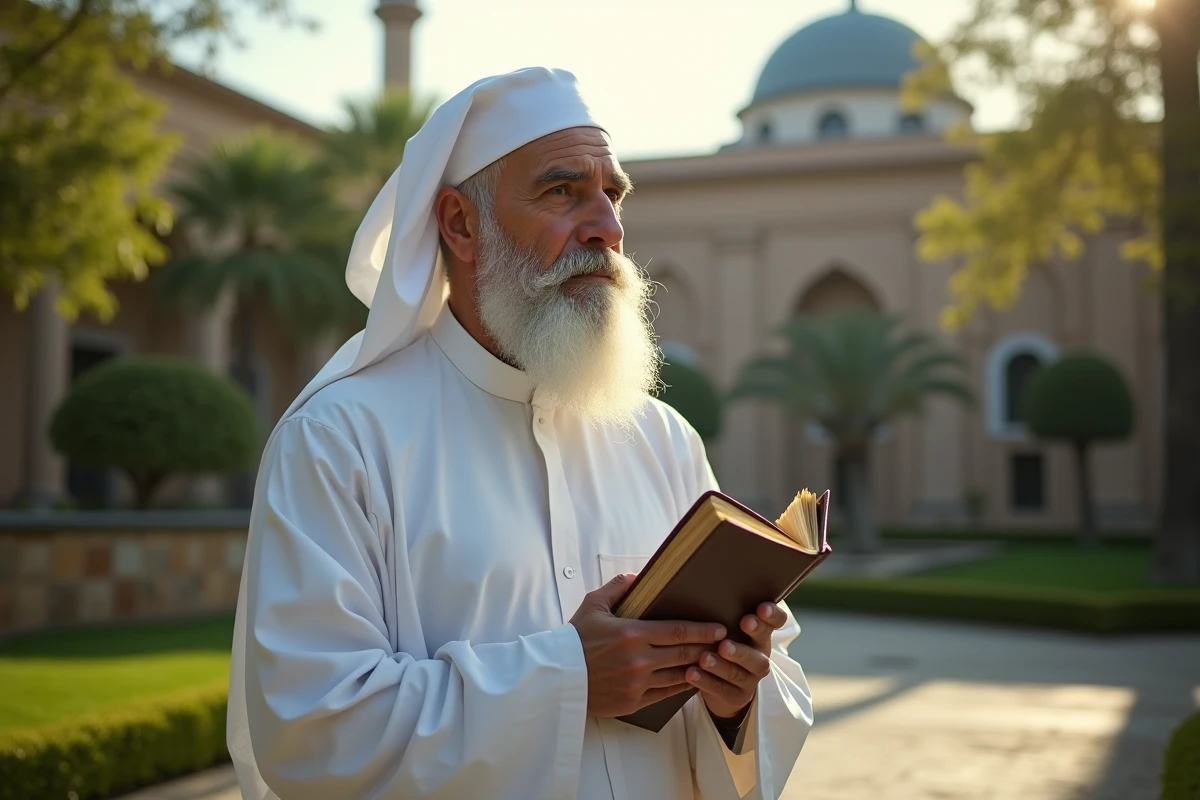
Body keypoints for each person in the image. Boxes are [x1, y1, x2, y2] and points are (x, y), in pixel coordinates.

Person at [227, 67, 813, 800]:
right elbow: (311, 727)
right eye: (563, 191)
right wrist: (570, 678)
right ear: (460, 224)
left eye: (613, 193)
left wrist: (737, 695)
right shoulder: (342, 438)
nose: (606, 225)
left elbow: (775, 684)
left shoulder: (663, 439)